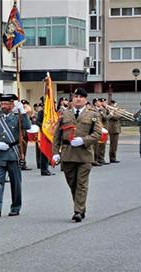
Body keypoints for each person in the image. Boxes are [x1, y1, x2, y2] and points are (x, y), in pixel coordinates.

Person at [52, 88, 102, 222]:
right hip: (68, 154)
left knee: (81, 184)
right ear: (72, 99)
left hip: (84, 154)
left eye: (81, 97)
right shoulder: (64, 114)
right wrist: (55, 153)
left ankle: (78, 211)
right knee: (72, 183)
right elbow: (57, 135)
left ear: (85, 99)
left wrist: (84, 140)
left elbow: (98, 134)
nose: (78, 99)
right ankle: (80, 206)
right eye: (75, 97)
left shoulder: (93, 114)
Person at [0, 94, 31, 218]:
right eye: (2, 104)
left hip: (13, 153)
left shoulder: (16, 117)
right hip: (0, 154)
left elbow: (27, 126)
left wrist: (23, 113)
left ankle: (15, 207)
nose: (4, 106)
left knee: (15, 183)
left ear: (12, 105)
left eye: (7, 104)